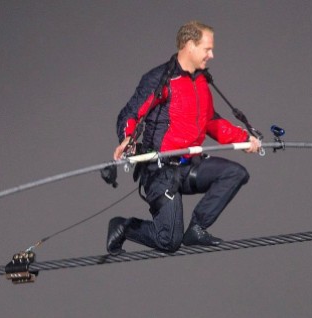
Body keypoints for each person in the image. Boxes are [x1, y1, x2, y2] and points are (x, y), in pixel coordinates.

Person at [106, 20, 260, 255]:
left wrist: (244, 139)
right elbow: (130, 114)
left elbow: (210, 121)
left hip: (189, 167)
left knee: (234, 173)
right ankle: (124, 227)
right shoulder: (160, 80)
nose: (212, 55)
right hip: (160, 172)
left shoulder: (200, 81)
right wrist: (127, 139)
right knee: (168, 241)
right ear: (190, 45)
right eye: (207, 49)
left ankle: (197, 227)